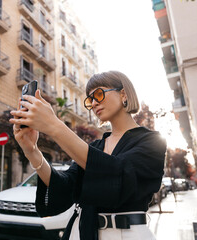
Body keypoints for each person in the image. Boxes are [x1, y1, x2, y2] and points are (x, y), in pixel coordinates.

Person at [10, 71, 167, 240]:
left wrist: (54, 126)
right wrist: (32, 150)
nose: (93, 103)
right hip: (82, 231)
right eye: (90, 99)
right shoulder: (96, 147)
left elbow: (119, 175)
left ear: (123, 94)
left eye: (98, 94)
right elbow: (65, 186)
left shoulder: (152, 141)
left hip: (127, 234)